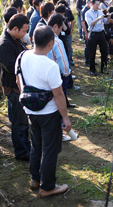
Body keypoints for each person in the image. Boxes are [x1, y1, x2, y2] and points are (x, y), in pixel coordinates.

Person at [15, 25, 71, 197]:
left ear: (32, 39)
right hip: (49, 113)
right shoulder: (50, 66)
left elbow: (19, 81)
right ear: (51, 43)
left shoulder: (22, 56)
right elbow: (59, 95)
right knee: (50, 150)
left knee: (36, 146)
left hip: (31, 111)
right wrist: (66, 118)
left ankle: (35, 179)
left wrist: (28, 104)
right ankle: (47, 187)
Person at [0, 14, 30, 161]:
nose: (25, 34)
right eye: (24, 31)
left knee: (23, 120)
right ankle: (22, 153)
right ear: (15, 28)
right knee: (19, 122)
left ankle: (26, 147)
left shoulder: (15, 39)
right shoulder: (5, 44)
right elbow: (12, 67)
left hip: (19, 86)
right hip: (14, 87)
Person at [47, 14, 75, 108]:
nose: (61, 31)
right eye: (60, 28)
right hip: (58, 74)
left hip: (45, 74)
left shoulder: (41, 36)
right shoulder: (57, 42)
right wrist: (66, 73)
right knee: (59, 97)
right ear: (55, 26)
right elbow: (62, 60)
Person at [85, 0, 108, 76]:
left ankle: (103, 68)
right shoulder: (88, 13)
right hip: (93, 33)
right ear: (92, 4)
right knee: (92, 52)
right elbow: (90, 23)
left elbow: (105, 22)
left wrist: (108, 18)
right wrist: (98, 18)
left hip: (101, 33)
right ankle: (92, 69)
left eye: (98, 4)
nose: (98, 6)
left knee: (104, 51)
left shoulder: (100, 12)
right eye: (96, 5)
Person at [81, 0, 93, 66]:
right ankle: (87, 61)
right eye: (91, 2)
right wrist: (85, 33)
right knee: (87, 46)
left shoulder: (90, 10)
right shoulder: (84, 10)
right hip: (86, 30)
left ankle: (91, 60)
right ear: (87, 2)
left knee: (91, 46)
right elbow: (83, 22)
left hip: (91, 30)